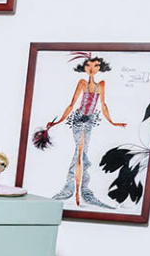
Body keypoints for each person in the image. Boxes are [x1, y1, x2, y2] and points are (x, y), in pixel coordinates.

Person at [45, 55, 125, 208]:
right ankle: (77, 192)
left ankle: (76, 190)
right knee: (80, 153)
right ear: (85, 67)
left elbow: (103, 105)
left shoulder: (101, 84)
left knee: (82, 153)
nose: (92, 69)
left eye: (95, 66)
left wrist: (113, 122)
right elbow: (71, 104)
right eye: (89, 66)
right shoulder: (82, 83)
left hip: (90, 121)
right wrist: (58, 122)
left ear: (99, 68)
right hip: (78, 120)